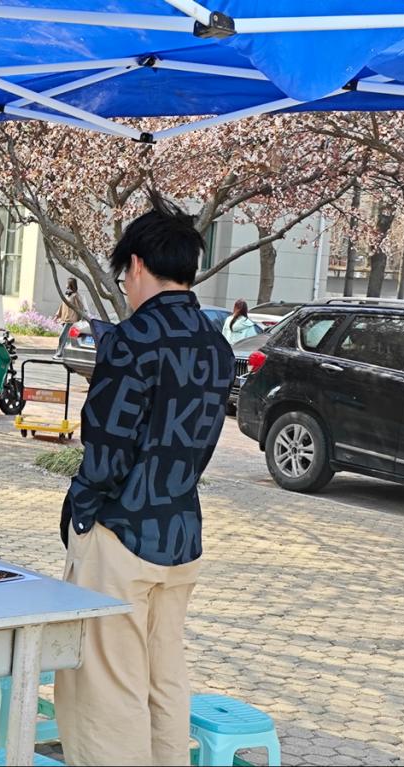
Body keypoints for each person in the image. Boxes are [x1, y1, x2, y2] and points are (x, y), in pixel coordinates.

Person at [55, 192, 235, 766]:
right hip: (181, 533)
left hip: (120, 533)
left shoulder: (132, 340)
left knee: (106, 691)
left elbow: (106, 449)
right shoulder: (217, 345)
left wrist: (80, 511)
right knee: (164, 679)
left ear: (135, 264)